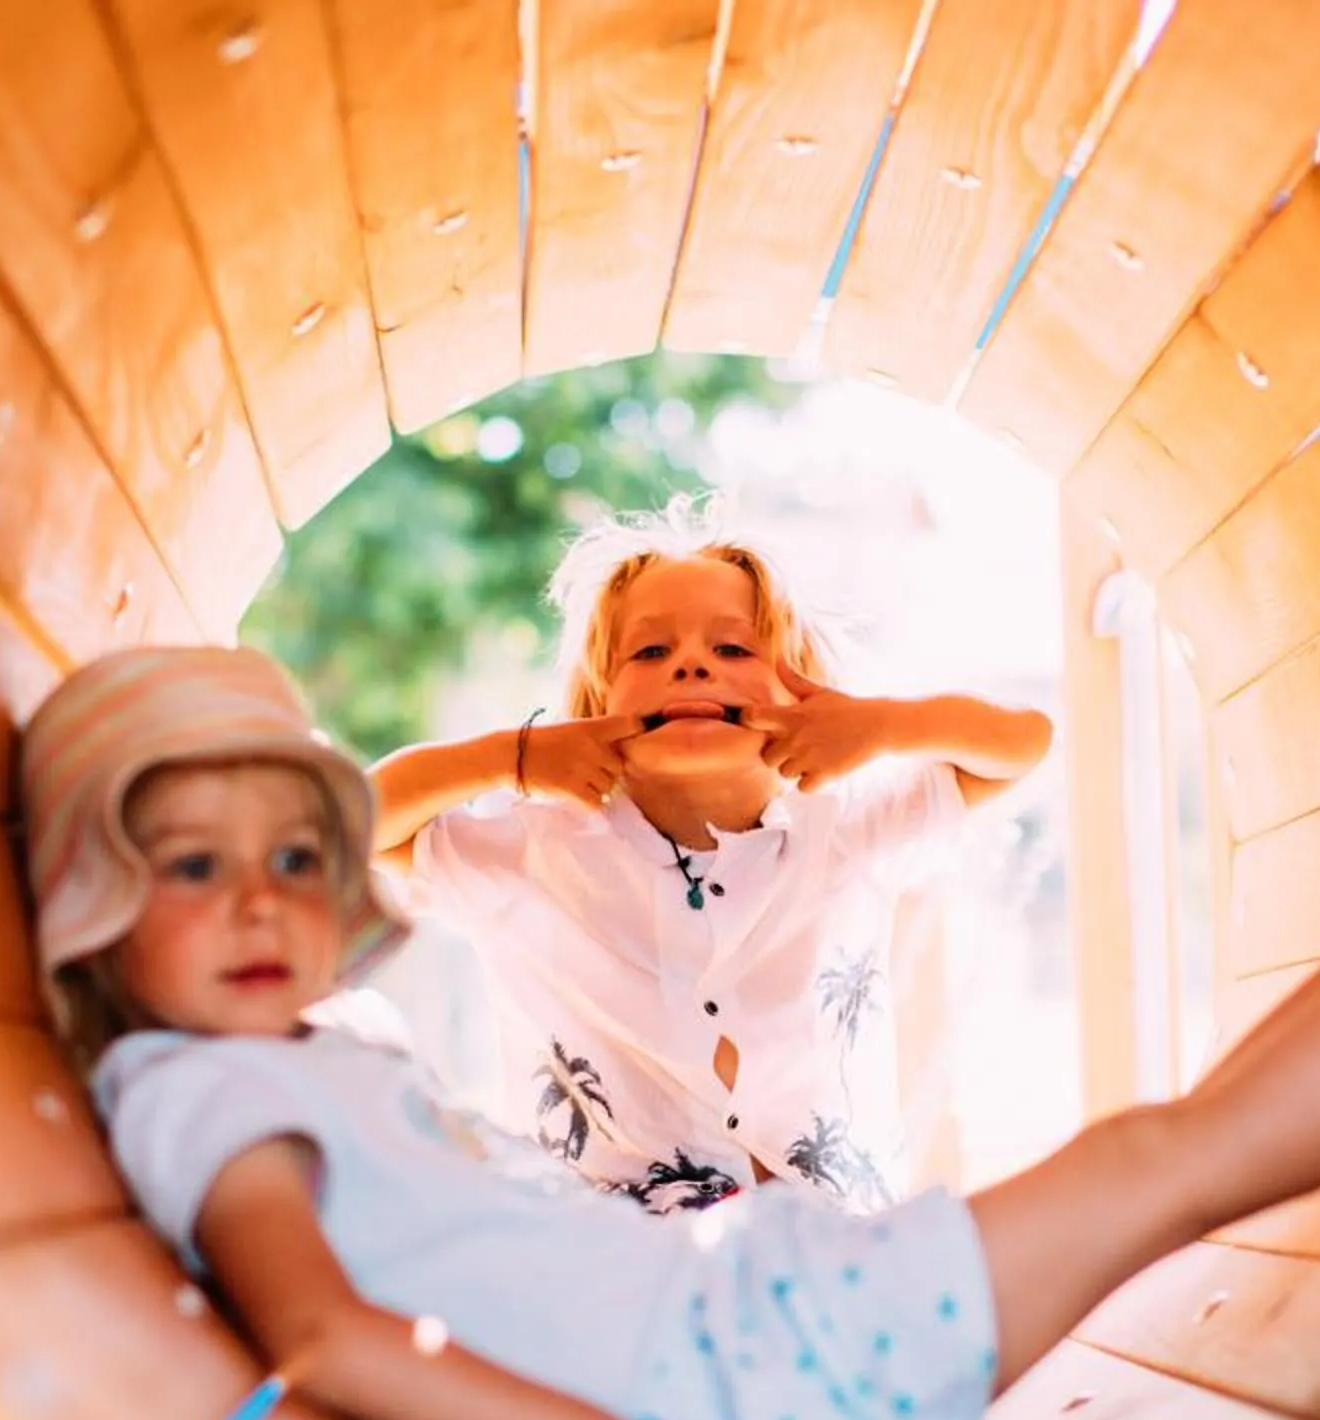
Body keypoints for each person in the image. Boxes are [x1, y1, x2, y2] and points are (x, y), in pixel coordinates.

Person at [19, 641, 1320, 1420]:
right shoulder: (198, 1094)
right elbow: (324, 1335)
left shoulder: (286, 1059)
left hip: (743, 1318)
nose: (258, 901)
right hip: (732, 1369)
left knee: (1164, 1153)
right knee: (1166, 1160)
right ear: (95, 906)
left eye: (294, 860)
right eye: (193, 866)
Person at [366, 499, 1054, 1213]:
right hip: (613, 1259)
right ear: (599, 699)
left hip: (834, 1247)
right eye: (649, 652)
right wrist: (514, 757)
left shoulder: (847, 832)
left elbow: (1022, 745)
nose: (691, 665)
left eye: (733, 649)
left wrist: (880, 726)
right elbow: (358, 822)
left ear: (802, 692)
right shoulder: (536, 854)